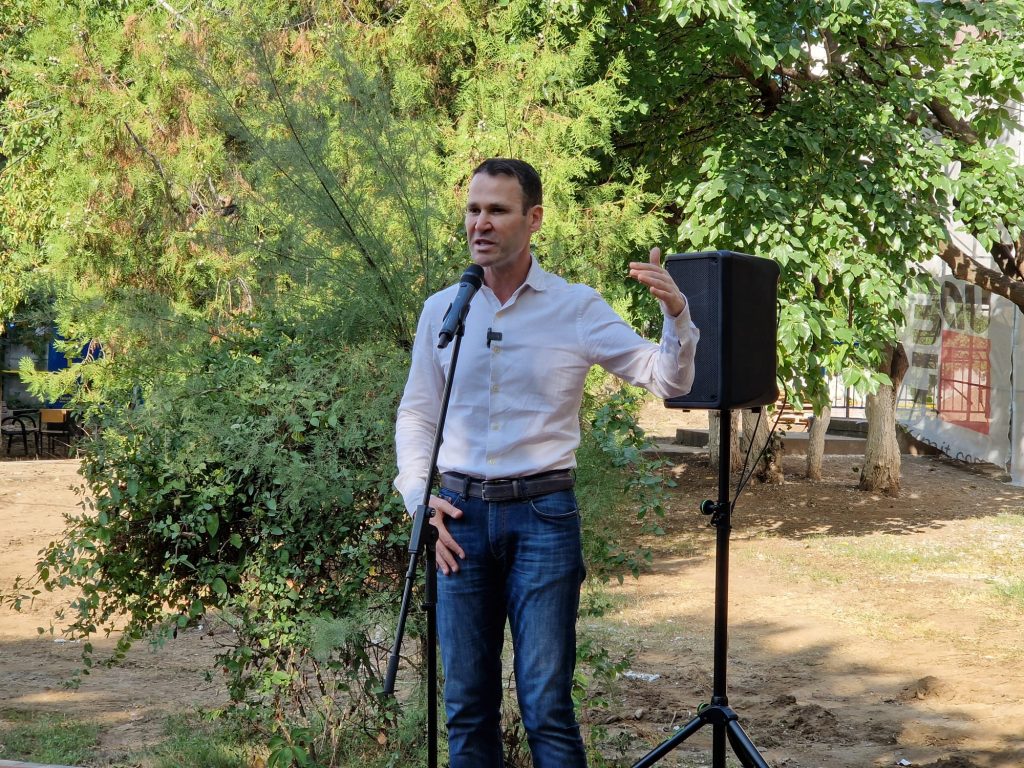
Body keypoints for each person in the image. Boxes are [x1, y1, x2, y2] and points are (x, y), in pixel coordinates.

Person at [394, 158, 699, 767]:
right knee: (466, 709)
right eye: (473, 209)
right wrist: (418, 497)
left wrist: (676, 315)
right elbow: (418, 413)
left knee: (546, 707)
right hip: (457, 520)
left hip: (543, 517)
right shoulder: (444, 310)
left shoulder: (575, 307)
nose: (480, 223)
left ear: (533, 219)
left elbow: (668, 380)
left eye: (497, 210)